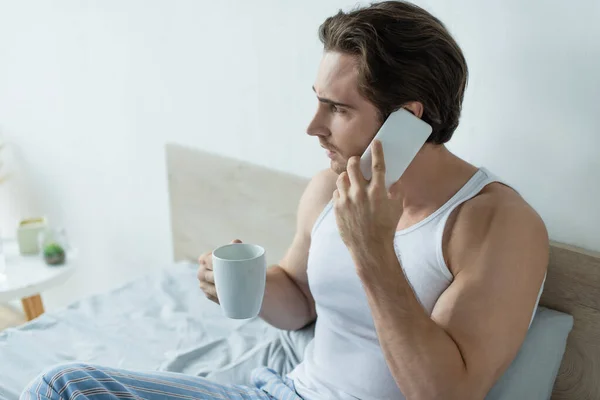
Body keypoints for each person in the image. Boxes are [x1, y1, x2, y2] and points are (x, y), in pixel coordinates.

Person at [22, 1, 548, 399]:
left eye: (337, 109)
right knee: (63, 385)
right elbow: (298, 301)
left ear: (408, 119)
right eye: (316, 102)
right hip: (281, 390)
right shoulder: (330, 187)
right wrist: (247, 287)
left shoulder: (495, 224)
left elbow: (445, 393)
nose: (313, 127)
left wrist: (372, 251)